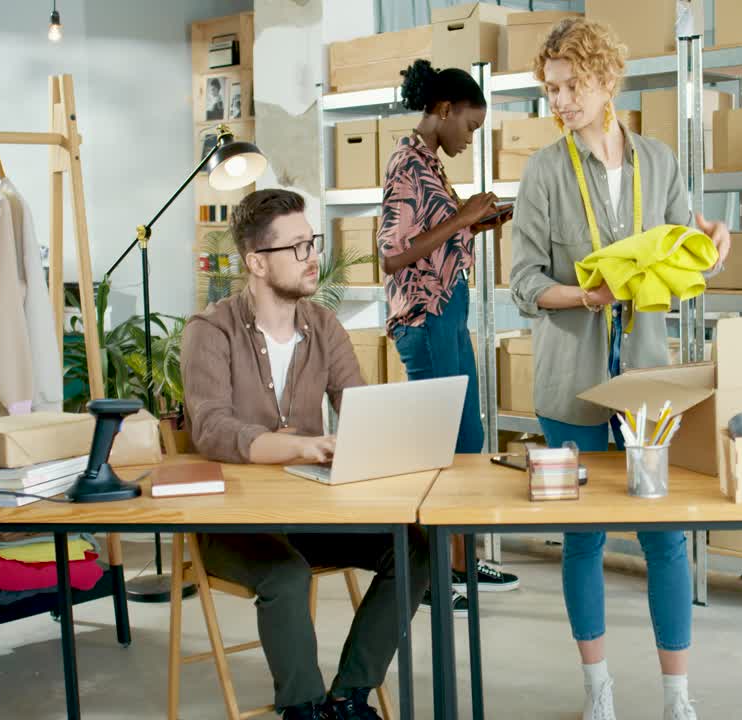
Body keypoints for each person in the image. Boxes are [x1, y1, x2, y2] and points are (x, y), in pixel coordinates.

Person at [507, 18, 733, 720]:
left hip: (646, 379)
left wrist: (710, 245)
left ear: (607, 80)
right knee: (584, 539)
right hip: (568, 381)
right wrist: (586, 296)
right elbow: (523, 282)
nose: (560, 101)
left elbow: (680, 252)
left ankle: (677, 696)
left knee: (665, 539)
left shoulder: (659, 162)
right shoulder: (544, 172)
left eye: (572, 86)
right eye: (551, 89)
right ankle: (597, 690)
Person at [181, 189, 430, 720]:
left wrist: (394, 434)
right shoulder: (210, 331)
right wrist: (301, 445)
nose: (312, 256)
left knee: (416, 551)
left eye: (311, 242)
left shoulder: (324, 326)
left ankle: (349, 695)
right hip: (232, 523)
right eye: (297, 247)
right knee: (286, 575)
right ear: (256, 262)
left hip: (310, 511)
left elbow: (358, 407)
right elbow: (212, 430)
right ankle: (304, 708)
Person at [379, 59, 519, 614]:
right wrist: (461, 218)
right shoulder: (407, 164)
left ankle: (461, 561)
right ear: (444, 110)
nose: (471, 138)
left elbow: (430, 238)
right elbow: (392, 255)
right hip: (427, 318)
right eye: (470, 125)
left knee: (468, 439)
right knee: (444, 448)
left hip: (447, 314)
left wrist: (476, 221)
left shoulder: (430, 164)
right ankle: (432, 575)